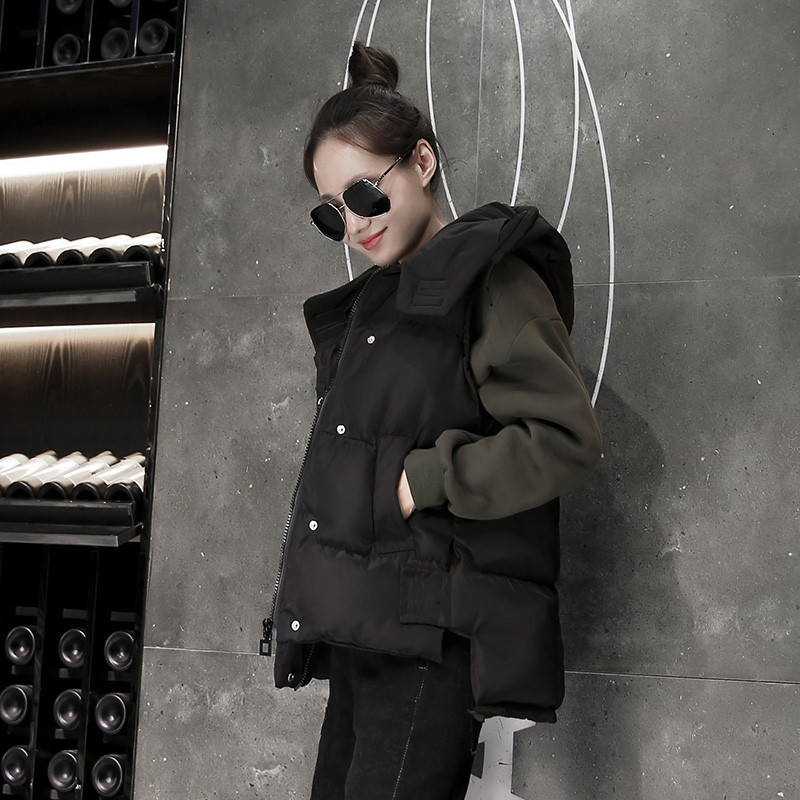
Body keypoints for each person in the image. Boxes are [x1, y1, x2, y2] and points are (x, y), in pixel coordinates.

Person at [263, 41, 602, 800]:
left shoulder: (491, 276)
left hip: (429, 637)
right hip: (368, 628)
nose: (353, 225)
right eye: (330, 213)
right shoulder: (382, 306)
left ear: (421, 161)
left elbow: (562, 439)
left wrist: (424, 479)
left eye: (363, 195)